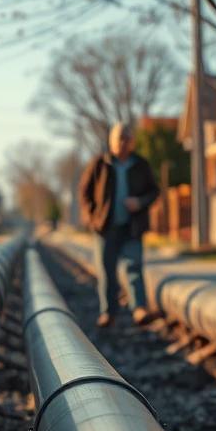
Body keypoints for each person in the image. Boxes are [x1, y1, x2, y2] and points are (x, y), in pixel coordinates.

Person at [78, 123, 161, 327]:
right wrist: (93, 217)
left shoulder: (141, 164)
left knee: (134, 268)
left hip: (132, 227)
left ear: (133, 142)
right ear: (111, 141)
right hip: (105, 228)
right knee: (107, 271)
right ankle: (108, 312)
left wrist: (140, 202)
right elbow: (84, 192)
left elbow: (154, 191)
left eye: (126, 139)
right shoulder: (100, 164)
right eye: (119, 139)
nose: (122, 143)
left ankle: (139, 309)